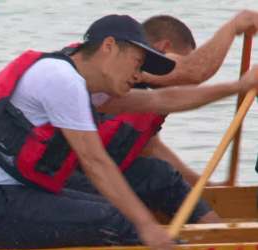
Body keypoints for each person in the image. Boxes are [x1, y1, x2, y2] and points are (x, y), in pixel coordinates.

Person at [0, 14, 258, 250]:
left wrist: (236, 87)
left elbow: (161, 101)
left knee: (121, 209)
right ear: (109, 47)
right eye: (137, 64)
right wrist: (147, 226)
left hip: (15, 199)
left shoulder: (85, 84)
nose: (139, 76)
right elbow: (95, 162)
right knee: (117, 218)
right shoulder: (61, 79)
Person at [64, 11, 258, 224]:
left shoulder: (120, 91)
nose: (138, 74)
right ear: (163, 49)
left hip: (89, 172)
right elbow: (194, 71)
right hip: (64, 179)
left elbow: (154, 149)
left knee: (158, 173)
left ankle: (218, 236)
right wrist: (234, 26)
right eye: (137, 63)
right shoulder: (103, 69)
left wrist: (209, 187)